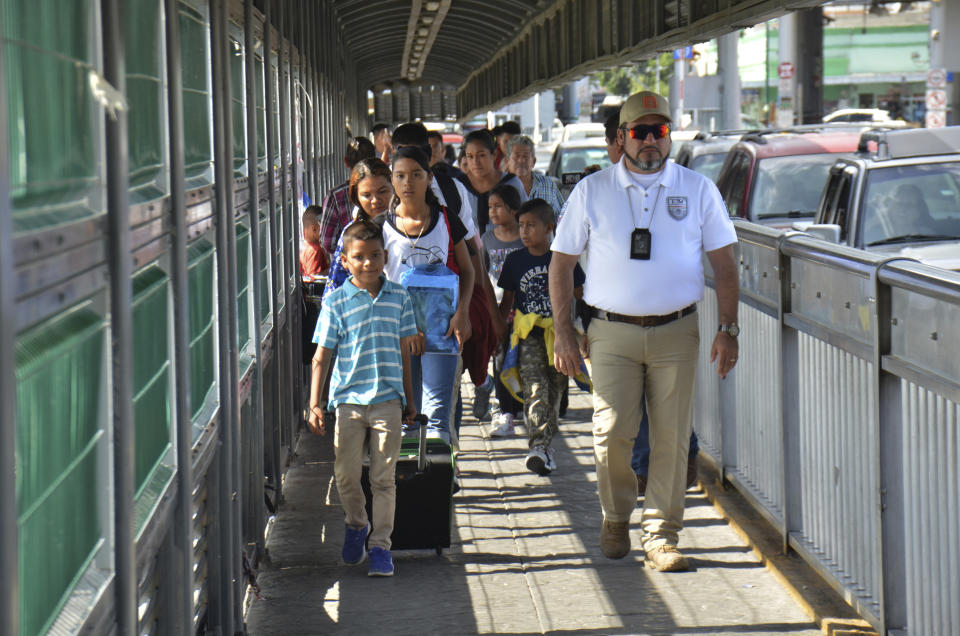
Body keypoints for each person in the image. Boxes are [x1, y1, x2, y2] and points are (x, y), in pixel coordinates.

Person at [550, 91, 740, 572]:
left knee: (672, 438)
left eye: (660, 131)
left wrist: (728, 329)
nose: (651, 141)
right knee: (611, 430)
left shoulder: (698, 189)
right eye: (640, 132)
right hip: (610, 332)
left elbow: (724, 264)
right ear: (621, 138)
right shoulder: (592, 191)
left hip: (678, 329)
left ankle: (661, 534)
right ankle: (616, 515)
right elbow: (561, 263)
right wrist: (565, 332)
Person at [307, 220, 419, 577]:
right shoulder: (337, 303)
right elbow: (321, 357)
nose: (369, 263)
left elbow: (405, 354)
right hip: (349, 403)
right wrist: (315, 403)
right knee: (346, 474)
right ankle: (357, 523)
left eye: (375, 256)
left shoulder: (399, 296)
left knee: (384, 479)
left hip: (388, 399)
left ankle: (381, 547)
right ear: (344, 261)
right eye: (360, 257)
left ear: (385, 257)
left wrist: (410, 400)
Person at [382, 146, 475, 442]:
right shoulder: (381, 228)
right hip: (398, 334)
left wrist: (462, 314)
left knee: (437, 414)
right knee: (406, 415)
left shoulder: (446, 219)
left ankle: (441, 480)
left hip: (442, 330)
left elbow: (468, 270)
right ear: (392, 180)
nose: (408, 182)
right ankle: (410, 481)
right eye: (400, 176)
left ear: (429, 178)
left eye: (416, 175)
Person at [498, 198, 584, 475]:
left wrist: (586, 332)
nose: (524, 232)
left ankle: (546, 446)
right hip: (528, 335)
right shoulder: (514, 261)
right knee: (535, 388)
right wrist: (500, 333)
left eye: (531, 226)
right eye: (521, 226)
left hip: (559, 335)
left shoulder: (562, 258)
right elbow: (507, 301)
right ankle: (538, 446)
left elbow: (582, 296)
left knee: (555, 391)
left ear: (549, 227)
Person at [477, 184, 524, 434]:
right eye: (490, 207)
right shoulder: (487, 238)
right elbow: (483, 273)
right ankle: (506, 409)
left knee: (524, 357)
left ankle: (522, 404)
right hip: (496, 308)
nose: (493, 212)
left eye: (499, 206)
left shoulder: (525, 236)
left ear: (513, 209)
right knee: (501, 356)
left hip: (525, 309)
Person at [322, 158, 393, 301]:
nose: (375, 200)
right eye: (367, 195)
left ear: (394, 188)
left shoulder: (403, 228)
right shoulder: (351, 233)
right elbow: (335, 287)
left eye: (382, 191)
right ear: (356, 197)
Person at [460, 129, 527, 236]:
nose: (475, 162)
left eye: (481, 155)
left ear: (494, 154)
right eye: (470, 156)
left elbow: (525, 219)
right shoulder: (459, 186)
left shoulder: (512, 184)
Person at [318, 137, 377, 257]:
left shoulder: (335, 196)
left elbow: (327, 242)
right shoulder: (386, 191)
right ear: (375, 161)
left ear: (346, 162)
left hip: (349, 267)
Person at [506, 135, 565, 221]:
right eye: (517, 156)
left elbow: (563, 218)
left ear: (533, 162)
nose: (521, 161)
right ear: (507, 161)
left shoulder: (548, 185)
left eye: (525, 157)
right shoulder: (501, 187)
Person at [300, 205, 330, 276]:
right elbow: (314, 277)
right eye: (324, 227)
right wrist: (332, 270)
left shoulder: (304, 246)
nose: (326, 230)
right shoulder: (315, 251)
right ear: (314, 229)